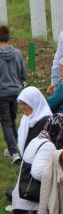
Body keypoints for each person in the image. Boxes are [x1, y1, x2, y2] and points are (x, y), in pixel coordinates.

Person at [11, 114, 63, 214]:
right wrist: (60, 177)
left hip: (22, 201)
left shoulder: (38, 139)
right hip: (30, 205)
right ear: (60, 130)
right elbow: (38, 172)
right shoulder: (48, 146)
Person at [0, 26, 27, 162]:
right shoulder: (17, 53)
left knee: (6, 122)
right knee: (12, 120)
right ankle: (16, 147)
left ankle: (14, 152)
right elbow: (23, 74)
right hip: (16, 92)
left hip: (2, 94)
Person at [16, 87, 52, 158]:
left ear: (35, 102)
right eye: (21, 104)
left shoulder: (47, 121)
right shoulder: (26, 118)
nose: (22, 107)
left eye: (25, 104)